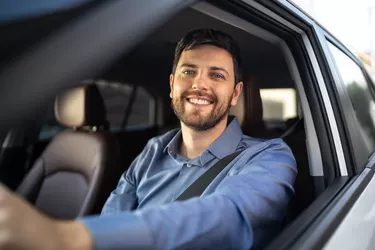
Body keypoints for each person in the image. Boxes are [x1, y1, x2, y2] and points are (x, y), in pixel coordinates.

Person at [0, 29, 297, 250]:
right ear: (172, 85)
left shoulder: (270, 156)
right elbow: (114, 212)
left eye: (217, 76)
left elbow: (231, 217)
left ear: (235, 94)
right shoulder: (153, 150)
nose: (199, 84)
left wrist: (67, 237)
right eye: (188, 71)